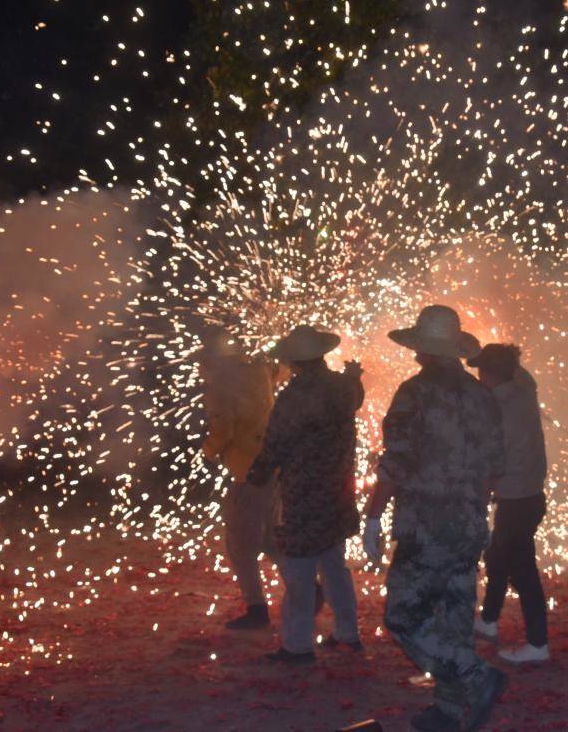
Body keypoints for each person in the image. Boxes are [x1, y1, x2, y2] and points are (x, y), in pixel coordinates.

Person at [363, 305, 508, 732]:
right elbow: (494, 465)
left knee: (403, 614)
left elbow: (397, 464)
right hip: (467, 522)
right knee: (455, 615)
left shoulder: (415, 393)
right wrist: (474, 510)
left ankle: (475, 677)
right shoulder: (482, 396)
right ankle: (448, 710)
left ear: (422, 349)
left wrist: (373, 518)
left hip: (426, 526)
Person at [246, 325, 364, 664]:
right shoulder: (342, 387)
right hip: (338, 490)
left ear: (294, 361)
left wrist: (256, 474)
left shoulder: (295, 395)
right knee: (334, 565)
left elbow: (276, 443)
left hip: (304, 493)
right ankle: (348, 633)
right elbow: (355, 396)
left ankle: (298, 645)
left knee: (299, 569)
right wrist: (353, 375)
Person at [467, 343, 550, 664]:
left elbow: (493, 462)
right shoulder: (524, 389)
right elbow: (521, 374)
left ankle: (538, 643)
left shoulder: (496, 410)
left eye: (481, 370)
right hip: (527, 498)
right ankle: (488, 622)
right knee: (498, 557)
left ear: (490, 374)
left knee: (522, 570)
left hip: (516, 500)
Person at [200, 335, 279, 630]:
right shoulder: (258, 370)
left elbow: (223, 429)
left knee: (239, 544)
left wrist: (208, 450)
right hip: (274, 465)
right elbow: (278, 369)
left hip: (249, 472)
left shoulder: (221, 386)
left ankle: (257, 608)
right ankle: (309, 589)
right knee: (271, 538)